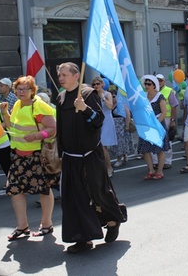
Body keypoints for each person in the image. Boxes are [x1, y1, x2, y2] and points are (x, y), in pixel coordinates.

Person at [56, 62, 127, 254]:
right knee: (74, 198)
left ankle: (113, 220)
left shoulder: (88, 94)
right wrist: (60, 152)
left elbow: (98, 121)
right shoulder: (61, 97)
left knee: (98, 192)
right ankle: (83, 238)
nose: (60, 78)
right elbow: (60, 127)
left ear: (76, 76)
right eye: (59, 75)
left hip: (89, 155)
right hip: (70, 157)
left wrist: (85, 108)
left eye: (64, 74)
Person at [0, 75, 57, 241]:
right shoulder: (17, 104)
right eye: (18, 88)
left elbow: (52, 128)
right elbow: (11, 127)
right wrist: (4, 112)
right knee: (14, 190)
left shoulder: (38, 106)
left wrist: (38, 135)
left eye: (25, 89)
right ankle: (22, 226)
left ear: (33, 91)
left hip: (37, 156)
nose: (21, 91)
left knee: (44, 190)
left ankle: (46, 224)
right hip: (18, 155)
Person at [138, 75, 170, 180]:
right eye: (145, 84)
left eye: (149, 84)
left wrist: (156, 125)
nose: (146, 86)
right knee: (145, 149)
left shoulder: (160, 96)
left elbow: (163, 112)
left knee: (159, 149)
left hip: (157, 125)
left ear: (154, 85)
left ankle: (160, 171)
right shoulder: (143, 96)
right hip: (147, 125)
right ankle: (151, 170)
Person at [152, 73, 179, 169]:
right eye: (157, 80)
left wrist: (172, 120)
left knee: (166, 140)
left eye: (160, 80)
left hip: (166, 118)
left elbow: (174, 106)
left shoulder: (169, 91)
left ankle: (167, 161)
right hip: (154, 118)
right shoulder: (152, 91)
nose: (159, 82)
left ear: (164, 81)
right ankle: (155, 161)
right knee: (154, 139)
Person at [91, 77, 117, 177]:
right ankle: (101, 168)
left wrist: (103, 98)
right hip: (97, 120)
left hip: (106, 119)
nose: (95, 86)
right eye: (93, 85)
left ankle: (109, 167)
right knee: (97, 145)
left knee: (103, 145)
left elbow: (110, 107)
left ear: (102, 84)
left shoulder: (107, 94)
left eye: (97, 84)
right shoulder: (92, 95)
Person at [110, 90, 135, 168]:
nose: (112, 98)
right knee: (118, 142)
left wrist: (127, 125)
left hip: (121, 125)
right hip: (113, 126)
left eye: (114, 96)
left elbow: (127, 114)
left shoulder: (121, 104)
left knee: (121, 142)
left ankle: (119, 159)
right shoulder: (110, 105)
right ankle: (124, 155)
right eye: (111, 96)